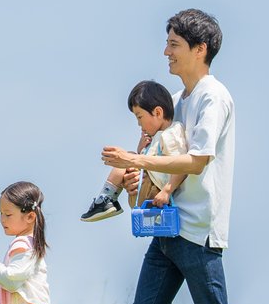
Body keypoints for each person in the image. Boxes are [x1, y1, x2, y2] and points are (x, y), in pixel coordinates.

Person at [102, 8, 253, 304]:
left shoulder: (212, 96)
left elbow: (199, 160)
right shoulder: (181, 101)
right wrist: (148, 182)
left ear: (200, 49)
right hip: (168, 230)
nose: (164, 52)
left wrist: (134, 158)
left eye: (173, 44)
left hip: (199, 234)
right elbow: (174, 164)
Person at [81, 81, 189, 222]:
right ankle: (108, 198)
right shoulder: (155, 136)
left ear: (158, 112)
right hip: (146, 194)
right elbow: (148, 160)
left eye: (140, 117)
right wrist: (141, 148)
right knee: (132, 155)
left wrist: (167, 191)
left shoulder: (171, 134)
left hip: (156, 192)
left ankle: (106, 198)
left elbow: (180, 166)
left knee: (129, 156)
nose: (139, 123)